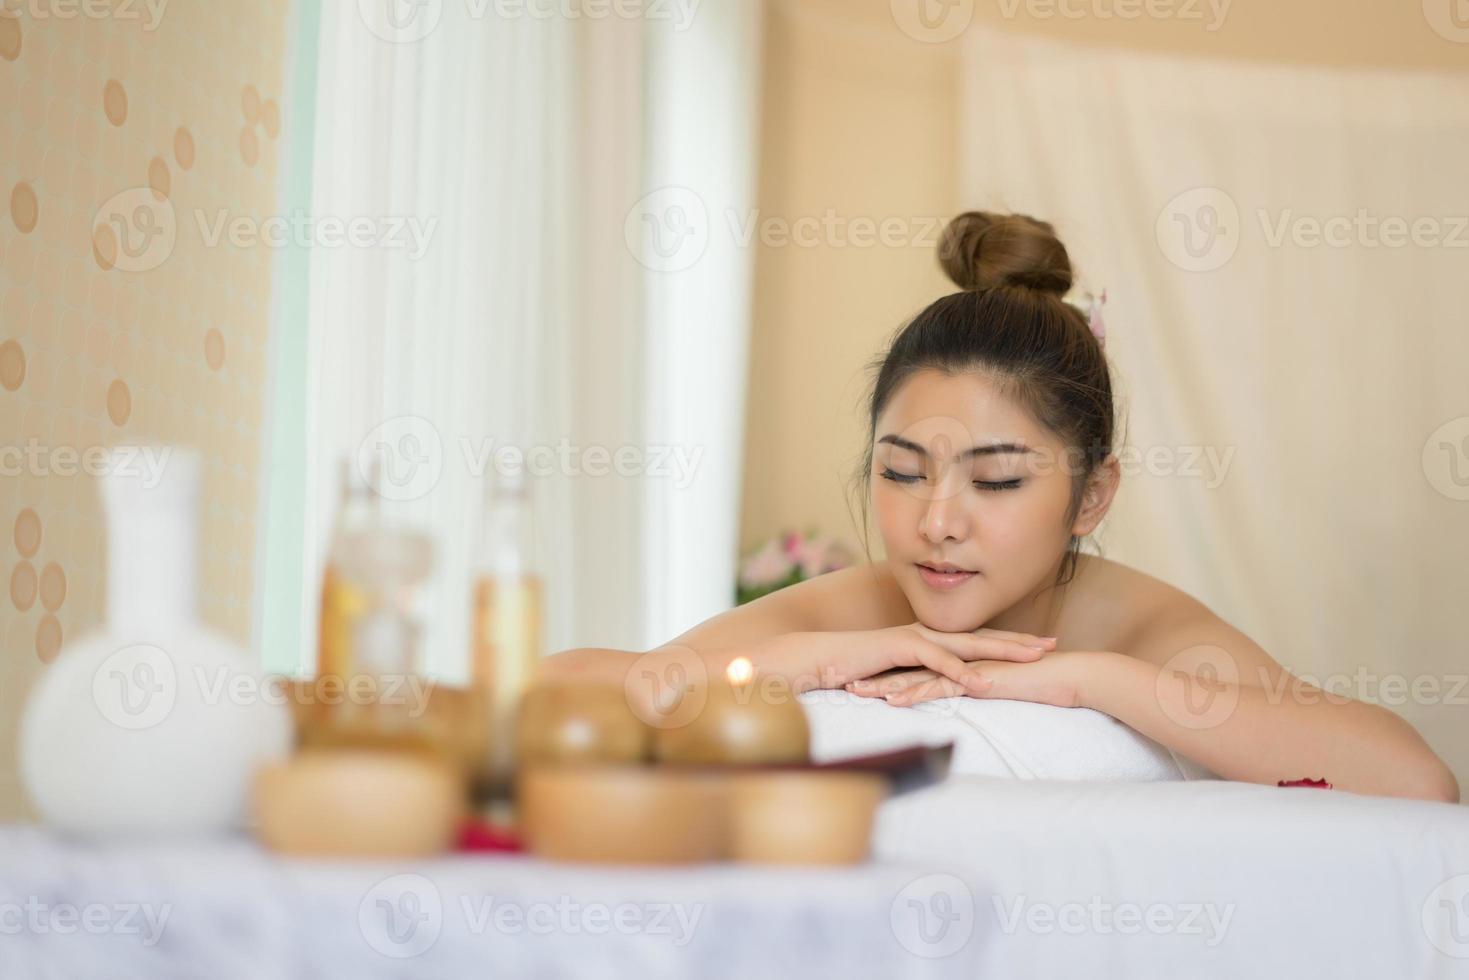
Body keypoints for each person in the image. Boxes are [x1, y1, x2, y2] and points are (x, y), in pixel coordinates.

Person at [544, 211, 1458, 803]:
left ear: (1090, 494)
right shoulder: (861, 607)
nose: (936, 520)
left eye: (995, 480)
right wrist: (819, 656)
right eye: (901, 473)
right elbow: (556, 695)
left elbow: (1412, 781)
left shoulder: (1133, 623)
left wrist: (1089, 681)